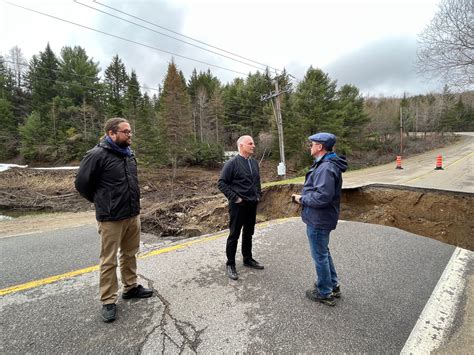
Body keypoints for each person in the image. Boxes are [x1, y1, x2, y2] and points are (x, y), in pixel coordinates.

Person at [75, 117, 153, 323]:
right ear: (111, 133)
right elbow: (82, 184)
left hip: (132, 214)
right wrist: (102, 201)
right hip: (110, 218)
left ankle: (131, 287)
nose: (130, 135)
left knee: (130, 253)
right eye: (126, 132)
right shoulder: (96, 155)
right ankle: (108, 300)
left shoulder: (128, 154)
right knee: (108, 260)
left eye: (130, 132)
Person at [291, 132, 347, 306]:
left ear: (320, 147)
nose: (310, 146)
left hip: (319, 219)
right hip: (321, 217)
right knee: (324, 252)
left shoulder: (325, 167)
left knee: (320, 255)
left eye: (312, 144)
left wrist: (302, 199)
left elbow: (322, 197)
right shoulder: (325, 164)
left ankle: (324, 291)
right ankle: (333, 284)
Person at [218, 135, 264, 280]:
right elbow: (221, 183)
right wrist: (236, 198)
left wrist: (258, 195)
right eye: (250, 143)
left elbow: (257, 181)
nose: (253, 145)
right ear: (241, 145)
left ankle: (247, 258)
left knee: (248, 233)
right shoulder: (231, 163)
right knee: (234, 235)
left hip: (252, 204)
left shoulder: (254, 163)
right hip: (238, 205)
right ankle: (230, 264)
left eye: (253, 143)